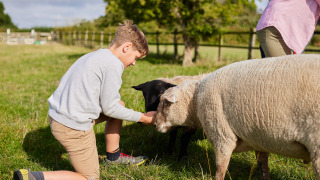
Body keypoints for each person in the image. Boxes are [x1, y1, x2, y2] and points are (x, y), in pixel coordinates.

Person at [13, 20, 156, 180]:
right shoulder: (113, 64)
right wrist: (144, 118)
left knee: (120, 104)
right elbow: (110, 109)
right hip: (72, 127)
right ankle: (32, 177)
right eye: (135, 57)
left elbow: (111, 104)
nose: (134, 63)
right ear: (127, 47)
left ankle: (113, 157)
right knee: (90, 177)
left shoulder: (97, 55)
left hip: (59, 116)